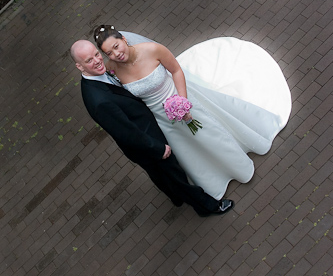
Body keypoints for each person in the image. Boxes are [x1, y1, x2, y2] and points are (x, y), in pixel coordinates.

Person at [94, 26, 292, 201]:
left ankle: (239, 166)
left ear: (124, 40)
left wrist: (183, 101)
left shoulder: (152, 50)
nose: (115, 54)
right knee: (187, 147)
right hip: (161, 117)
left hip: (182, 98)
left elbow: (177, 71)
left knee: (210, 133)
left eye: (116, 46)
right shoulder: (112, 70)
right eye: (109, 53)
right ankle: (212, 177)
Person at [70, 39, 234, 217]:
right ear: (80, 67)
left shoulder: (102, 74)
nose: (97, 60)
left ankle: (175, 198)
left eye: (96, 54)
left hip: (149, 128)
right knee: (175, 175)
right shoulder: (97, 100)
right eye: (89, 60)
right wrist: (156, 148)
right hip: (145, 142)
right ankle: (207, 206)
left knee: (162, 175)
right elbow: (125, 133)